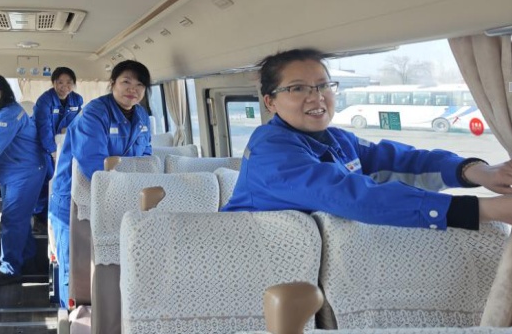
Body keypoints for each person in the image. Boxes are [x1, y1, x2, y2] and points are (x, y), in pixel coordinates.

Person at [223, 48, 512, 230]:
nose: (317, 97)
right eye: (298, 88)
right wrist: (484, 209)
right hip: (251, 263)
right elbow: (348, 195)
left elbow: (402, 160)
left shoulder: (338, 140)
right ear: (270, 102)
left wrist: (475, 171)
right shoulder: (270, 150)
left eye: (323, 85)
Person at [49, 60, 152, 307]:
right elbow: (95, 163)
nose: (133, 89)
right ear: (113, 83)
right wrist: (129, 193)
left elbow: (146, 158)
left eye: (140, 85)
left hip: (119, 196)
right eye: (126, 82)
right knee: (76, 268)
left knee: (114, 264)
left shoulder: (141, 115)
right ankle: (70, 315)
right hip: (76, 198)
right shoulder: (94, 113)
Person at [0, 75, 48, 286]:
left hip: (24, 172)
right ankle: (28, 259)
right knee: (18, 218)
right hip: (14, 172)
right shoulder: (0, 113)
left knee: (12, 219)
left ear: (4, 91)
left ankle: (10, 269)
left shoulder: (8, 114)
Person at [32, 66, 84, 225]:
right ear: (54, 83)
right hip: (40, 145)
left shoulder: (77, 100)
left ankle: (59, 213)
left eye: (69, 82)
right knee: (45, 178)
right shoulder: (45, 100)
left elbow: (77, 124)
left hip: (63, 144)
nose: (64, 86)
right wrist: (53, 151)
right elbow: (44, 128)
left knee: (64, 178)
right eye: (60, 82)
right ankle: (39, 216)